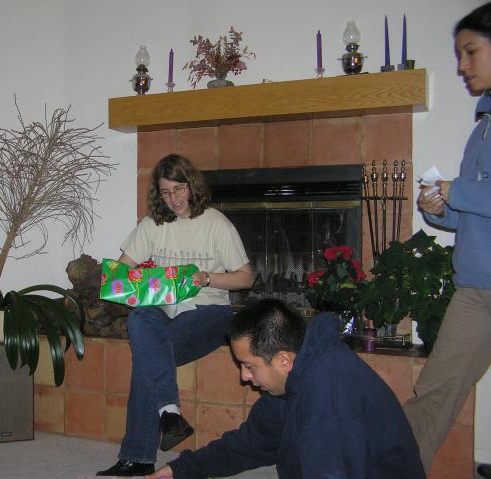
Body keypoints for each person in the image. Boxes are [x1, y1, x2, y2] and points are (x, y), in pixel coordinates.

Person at [97, 153, 253, 476]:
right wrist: (124, 283)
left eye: (179, 189)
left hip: (210, 310)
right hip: (164, 307)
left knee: (148, 354)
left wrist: (207, 277)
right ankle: (169, 413)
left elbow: (246, 277)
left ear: (191, 185)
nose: (174, 199)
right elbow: (121, 271)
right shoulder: (152, 225)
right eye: (166, 192)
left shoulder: (216, 223)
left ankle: (138, 457)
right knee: (139, 320)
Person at [147, 299, 425, 479]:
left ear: (283, 360)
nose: (244, 376)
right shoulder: (294, 375)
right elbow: (252, 444)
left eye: (249, 366)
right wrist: (180, 470)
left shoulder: (328, 404)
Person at [404, 3, 491, 475]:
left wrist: (461, 191)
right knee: (432, 392)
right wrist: (442, 210)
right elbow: (473, 215)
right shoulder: (481, 130)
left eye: (470, 51)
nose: (461, 65)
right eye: (459, 53)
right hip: (477, 290)